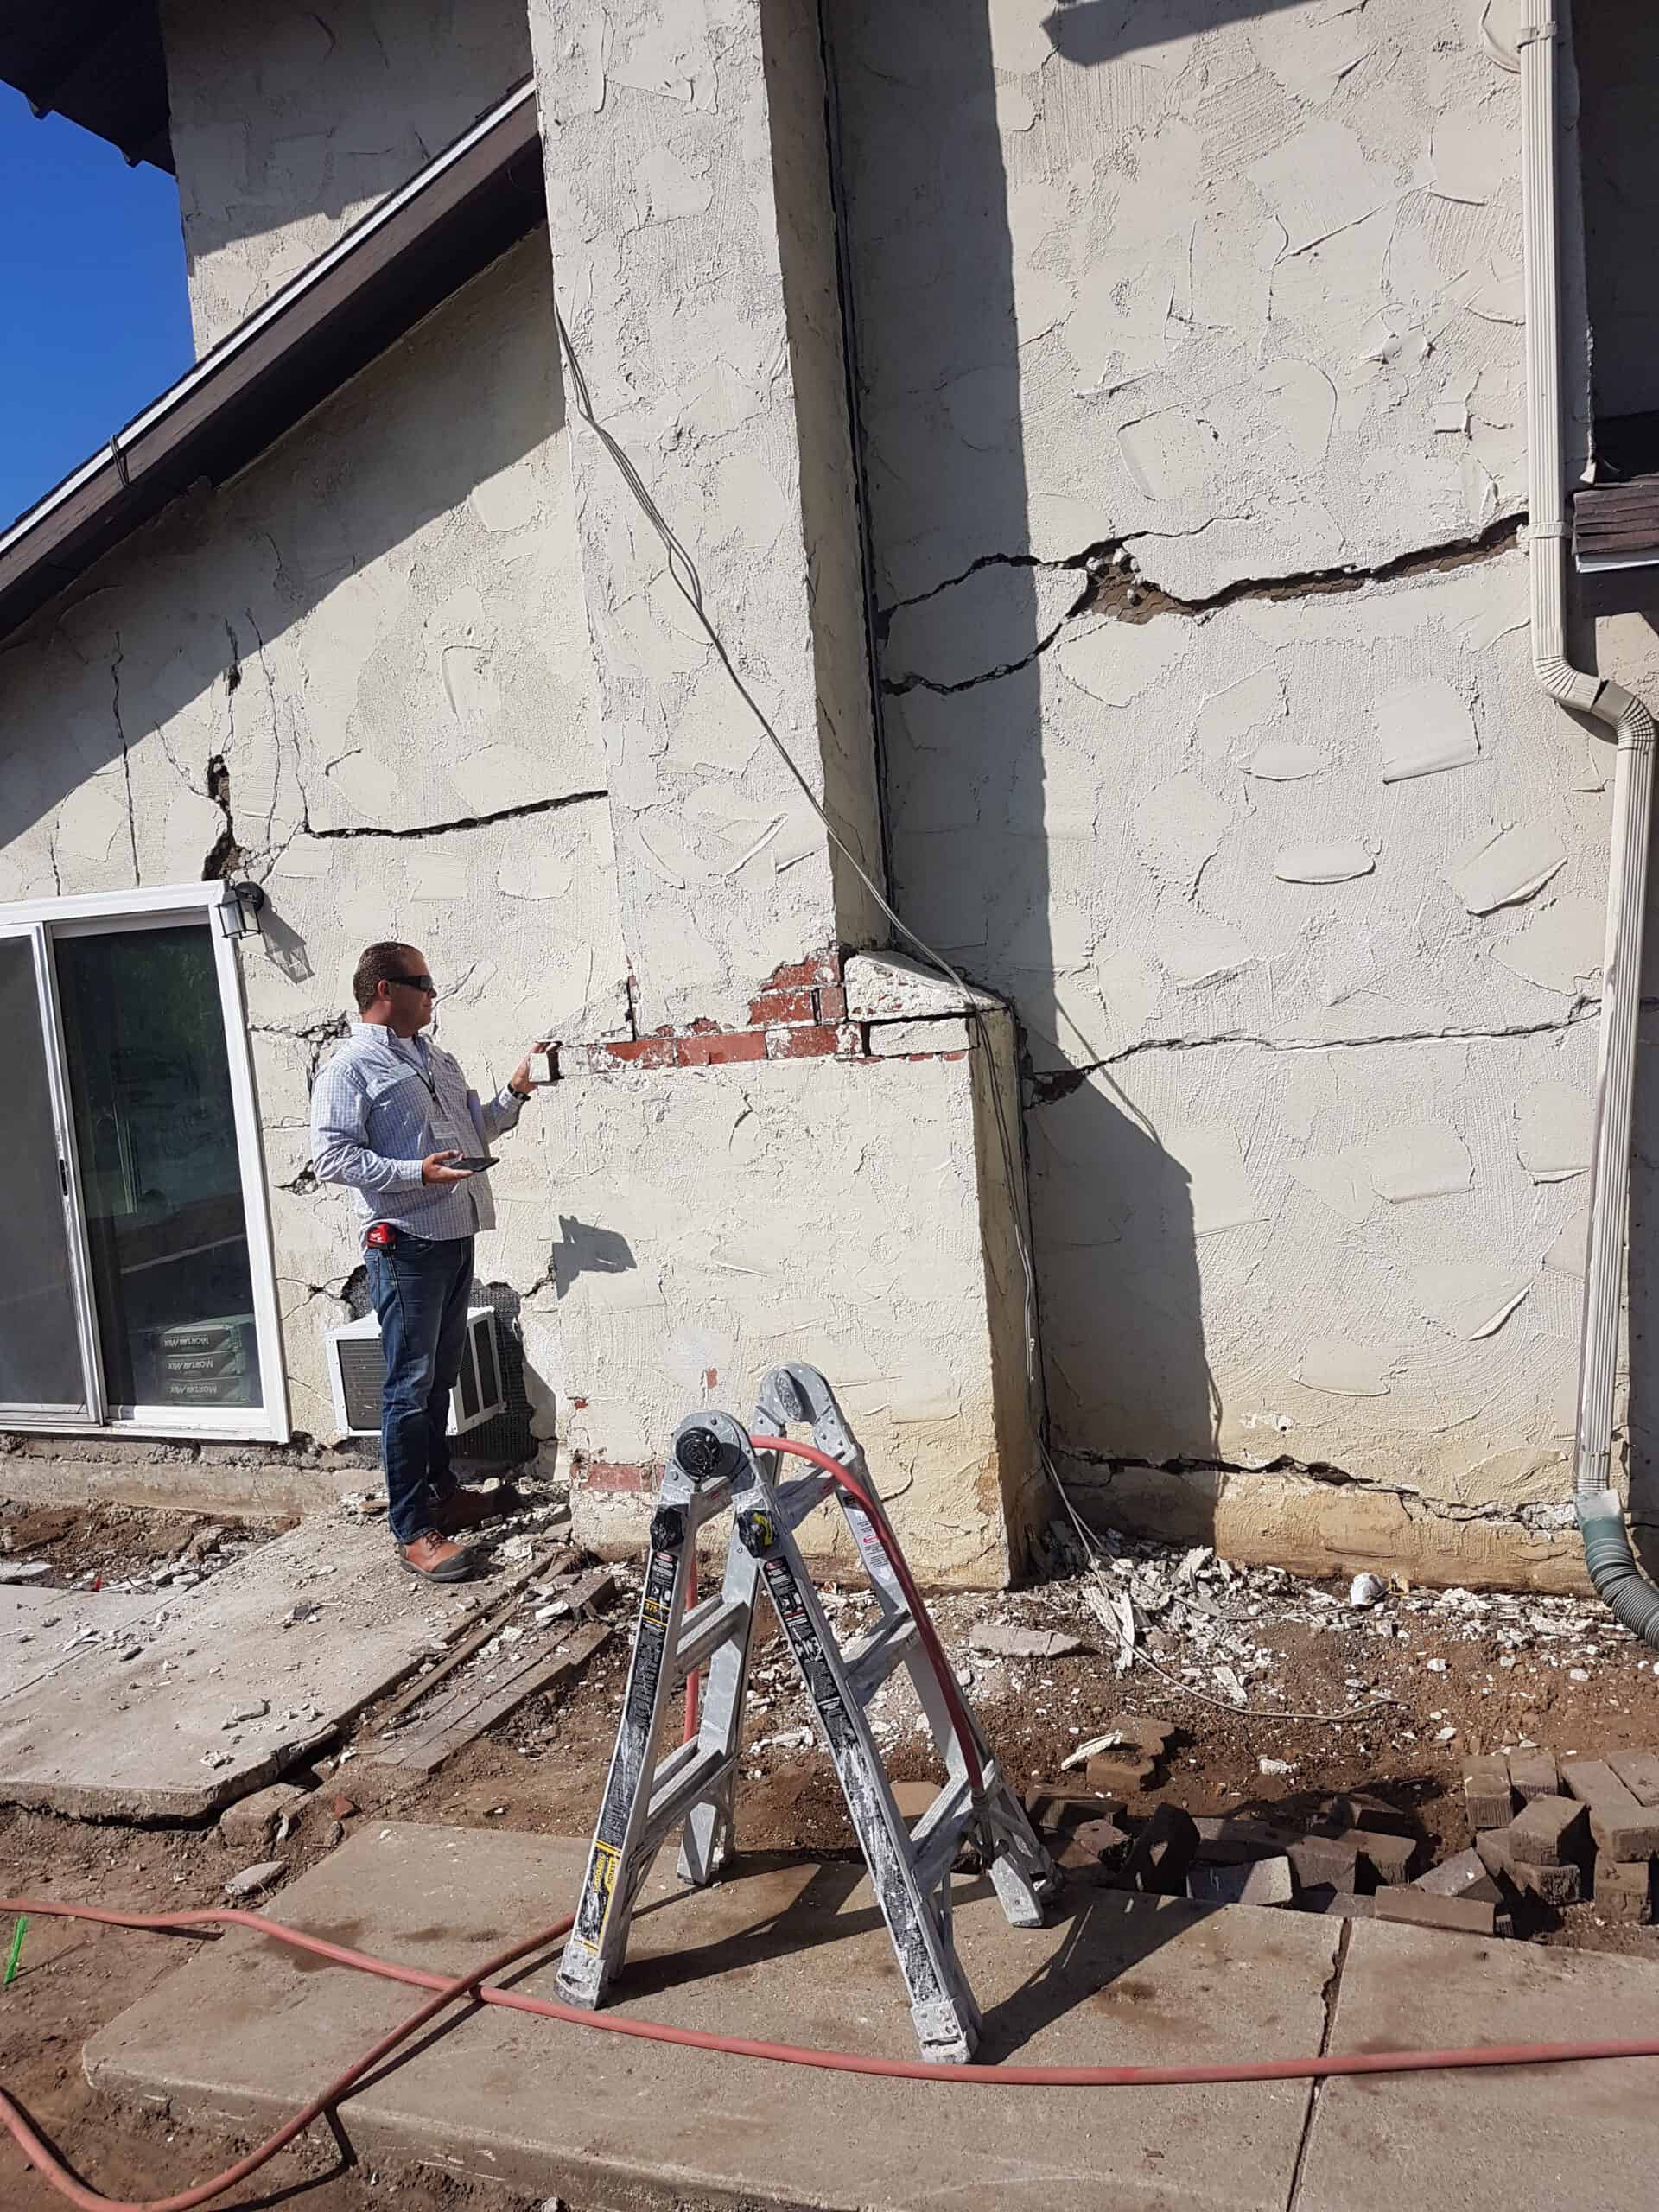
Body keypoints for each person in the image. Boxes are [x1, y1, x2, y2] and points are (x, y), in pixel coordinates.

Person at [310, 941, 556, 1583]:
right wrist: (412, 1172)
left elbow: (476, 1132)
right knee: (408, 1387)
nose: (433, 993)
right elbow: (332, 1157)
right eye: (422, 982)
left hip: (455, 1234)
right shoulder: (350, 1069)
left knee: (439, 1378)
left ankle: (442, 1493)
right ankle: (413, 1527)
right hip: (407, 1244)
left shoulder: (435, 1058)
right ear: (384, 990)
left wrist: (516, 1090)